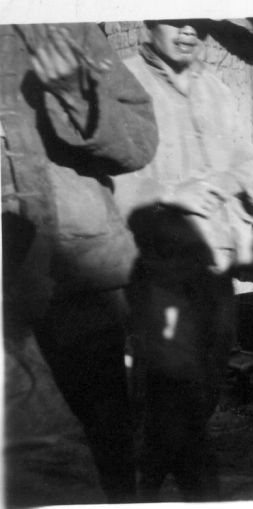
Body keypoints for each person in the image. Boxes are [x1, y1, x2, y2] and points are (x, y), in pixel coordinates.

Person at [2, 23, 158, 505]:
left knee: (101, 453)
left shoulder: (61, 22)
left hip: (76, 278)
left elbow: (139, 142)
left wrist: (74, 94)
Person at [113, 19, 253, 502]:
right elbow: (107, 175)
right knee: (171, 381)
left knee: (205, 381)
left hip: (212, 263)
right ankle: (177, 483)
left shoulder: (215, 88)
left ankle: (154, 472)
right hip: (157, 265)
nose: (187, 32)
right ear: (150, 22)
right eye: (176, 20)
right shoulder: (125, 82)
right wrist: (170, 192)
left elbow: (248, 155)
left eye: (198, 24)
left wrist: (226, 181)